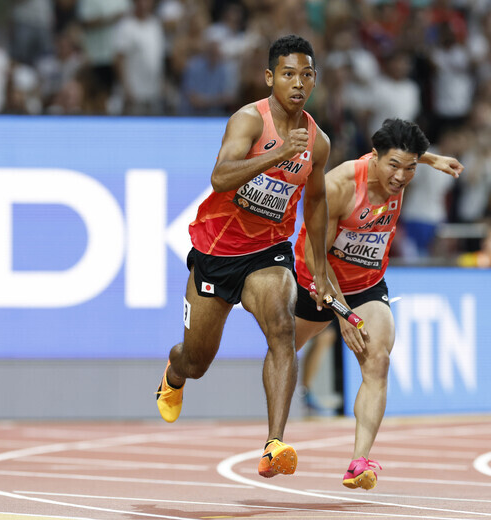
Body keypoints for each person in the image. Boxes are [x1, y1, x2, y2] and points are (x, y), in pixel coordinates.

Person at [155, 34, 335, 480]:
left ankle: (274, 444)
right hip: (216, 251)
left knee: (281, 326)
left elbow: (314, 203)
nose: (298, 83)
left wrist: (322, 268)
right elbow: (220, 177)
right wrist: (277, 154)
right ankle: (173, 375)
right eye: (288, 74)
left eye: (306, 75)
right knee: (197, 362)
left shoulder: (319, 142)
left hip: (268, 251)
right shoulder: (249, 121)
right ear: (270, 77)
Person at [292, 118, 463, 490]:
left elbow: (405, 159)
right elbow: (317, 259)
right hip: (316, 278)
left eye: (411, 168)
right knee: (283, 351)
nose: (401, 177)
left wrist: (432, 161)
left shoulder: (401, 170)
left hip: (367, 283)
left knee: (378, 360)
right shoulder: (338, 187)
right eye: (394, 166)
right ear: (374, 157)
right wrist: (342, 316)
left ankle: (359, 461)